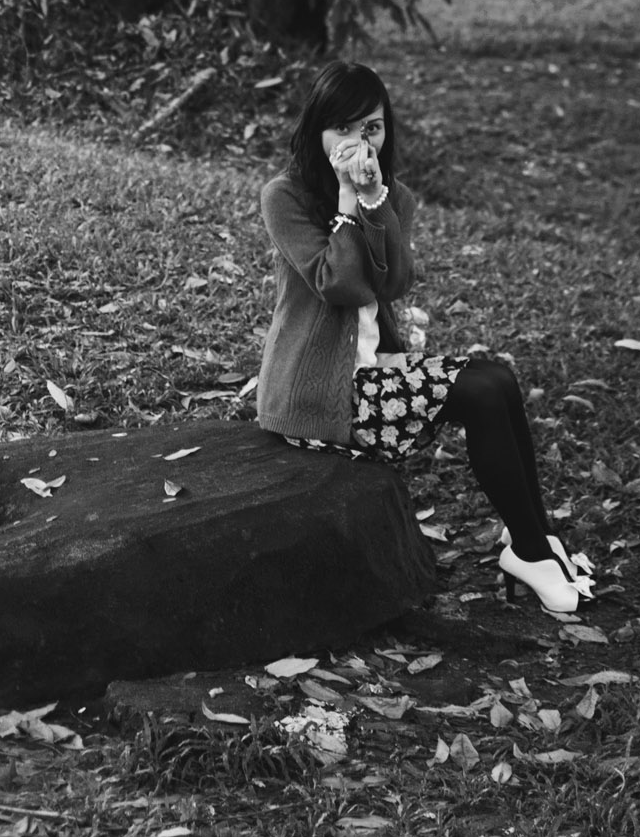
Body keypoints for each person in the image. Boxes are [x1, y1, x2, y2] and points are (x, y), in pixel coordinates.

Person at [255, 60, 595, 613]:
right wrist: (346, 201)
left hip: (375, 374)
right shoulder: (285, 196)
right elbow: (336, 284)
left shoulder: (394, 198)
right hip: (319, 397)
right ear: (316, 129)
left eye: (371, 127)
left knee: (498, 379)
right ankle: (529, 552)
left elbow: (395, 281)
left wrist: (372, 202)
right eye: (342, 127)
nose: (357, 142)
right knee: (480, 392)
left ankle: (535, 535)